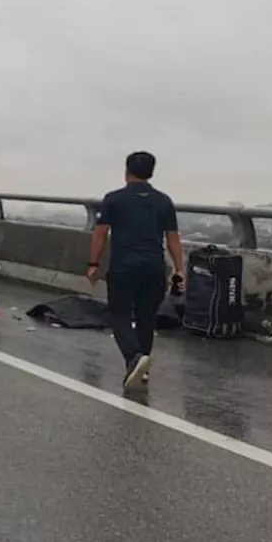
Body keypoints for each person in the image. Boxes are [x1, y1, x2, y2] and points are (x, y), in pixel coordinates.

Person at [86, 151, 186, 389]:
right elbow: (173, 239)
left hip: (124, 267)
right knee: (146, 319)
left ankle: (134, 358)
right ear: (151, 172)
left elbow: (100, 234)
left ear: (126, 171)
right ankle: (141, 371)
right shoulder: (164, 201)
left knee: (119, 315)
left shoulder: (114, 199)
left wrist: (93, 264)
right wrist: (180, 269)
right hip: (154, 267)